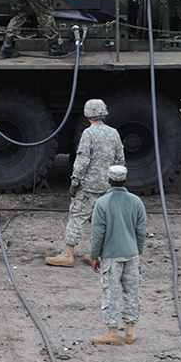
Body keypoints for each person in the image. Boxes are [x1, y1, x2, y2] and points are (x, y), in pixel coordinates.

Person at [46, 99, 125, 267]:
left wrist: (75, 181)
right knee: (102, 221)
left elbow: (82, 160)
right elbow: (120, 160)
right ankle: (97, 254)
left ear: (88, 115)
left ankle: (67, 254)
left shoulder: (88, 134)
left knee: (77, 217)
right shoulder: (114, 133)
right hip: (107, 187)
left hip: (88, 186)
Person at [89, 165, 146, 345]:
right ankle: (130, 331)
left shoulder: (102, 203)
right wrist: (137, 250)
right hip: (131, 254)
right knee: (131, 292)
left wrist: (94, 256)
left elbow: (98, 233)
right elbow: (141, 231)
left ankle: (112, 332)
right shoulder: (136, 201)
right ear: (125, 180)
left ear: (109, 180)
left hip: (111, 256)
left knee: (111, 294)